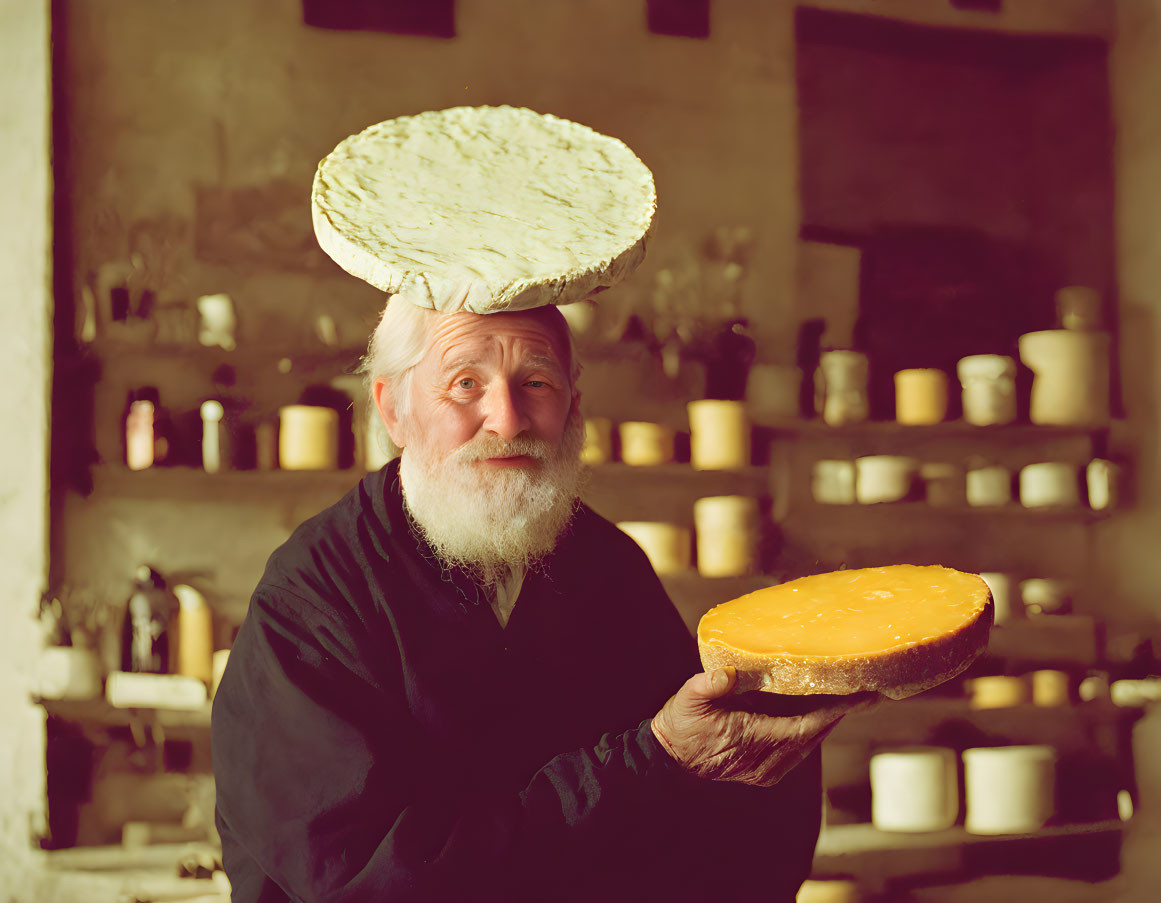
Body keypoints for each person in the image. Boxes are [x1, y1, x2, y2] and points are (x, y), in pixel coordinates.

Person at [211, 297, 872, 902]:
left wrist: (781, 698)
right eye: (465, 383)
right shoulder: (313, 596)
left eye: (536, 382)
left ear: (572, 405)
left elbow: (710, 821)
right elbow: (370, 881)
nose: (506, 418)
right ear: (392, 409)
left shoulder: (609, 566)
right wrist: (653, 757)